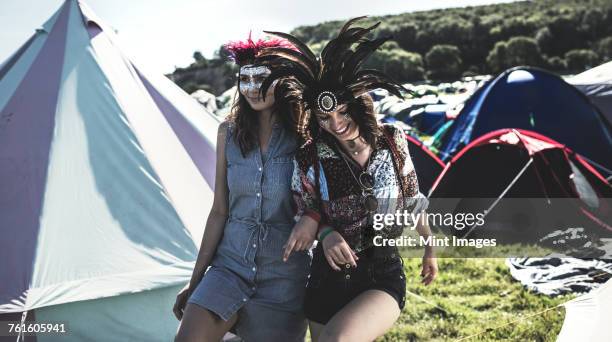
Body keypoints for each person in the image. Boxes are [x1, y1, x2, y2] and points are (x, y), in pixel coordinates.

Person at [259, 17, 439, 341]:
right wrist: (325, 232)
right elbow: (305, 209)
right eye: (326, 117)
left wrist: (429, 245)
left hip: (380, 273)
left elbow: (412, 196)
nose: (337, 123)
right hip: (326, 279)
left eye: (342, 111)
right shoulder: (310, 156)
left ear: (357, 104)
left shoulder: (392, 141)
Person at [173, 34, 317, 342]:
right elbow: (219, 211)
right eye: (244, 78)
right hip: (229, 268)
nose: (251, 88)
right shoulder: (228, 132)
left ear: (283, 81)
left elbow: (324, 204)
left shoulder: (306, 138)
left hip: (284, 278)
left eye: (261, 78)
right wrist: (195, 281)